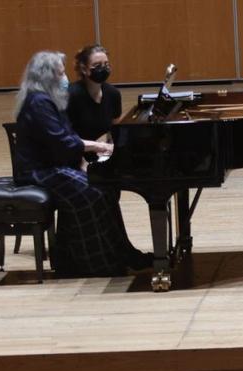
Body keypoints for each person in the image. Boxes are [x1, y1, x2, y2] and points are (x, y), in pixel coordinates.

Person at [11, 50, 148, 277]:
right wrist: (99, 147)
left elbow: (67, 137)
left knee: (104, 186)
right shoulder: (38, 102)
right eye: (60, 73)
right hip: (37, 171)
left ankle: (119, 252)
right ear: (47, 76)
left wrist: (86, 157)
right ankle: (95, 262)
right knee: (92, 191)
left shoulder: (48, 99)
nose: (65, 78)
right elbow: (62, 141)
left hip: (52, 166)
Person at [66, 44, 122, 144]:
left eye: (106, 64)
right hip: (77, 151)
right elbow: (65, 137)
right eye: (97, 65)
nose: (103, 68)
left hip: (102, 150)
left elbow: (115, 130)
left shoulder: (113, 93)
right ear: (84, 69)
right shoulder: (71, 95)